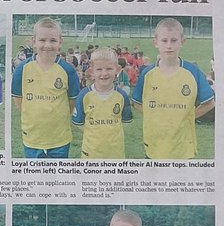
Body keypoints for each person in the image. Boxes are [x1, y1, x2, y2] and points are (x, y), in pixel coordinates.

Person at [131, 17, 214, 158]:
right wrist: (156, 116)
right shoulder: (147, 73)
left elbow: (209, 102)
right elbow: (136, 102)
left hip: (183, 149)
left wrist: (187, 116)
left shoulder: (193, 71)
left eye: (174, 40)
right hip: (154, 147)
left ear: (183, 41)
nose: (169, 45)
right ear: (155, 43)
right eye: (164, 41)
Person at [12, 18, 80, 157]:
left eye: (53, 40)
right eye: (42, 40)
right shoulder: (22, 69)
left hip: (59, 139)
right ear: (34, 41)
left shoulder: (68, 70)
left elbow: (72, 102)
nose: (47, 45)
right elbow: (19, 101)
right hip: (32, 138)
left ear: (60, 42)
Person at [73, 47, 134, 158]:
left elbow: (126, 122)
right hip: (91, 154)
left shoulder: (122, 96)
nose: (104, 73)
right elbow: (79, 124)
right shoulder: (84, 95)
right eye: (99, 69)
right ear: (91, 72)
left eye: (109, 69)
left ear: (117, 69)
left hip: (116, 154)